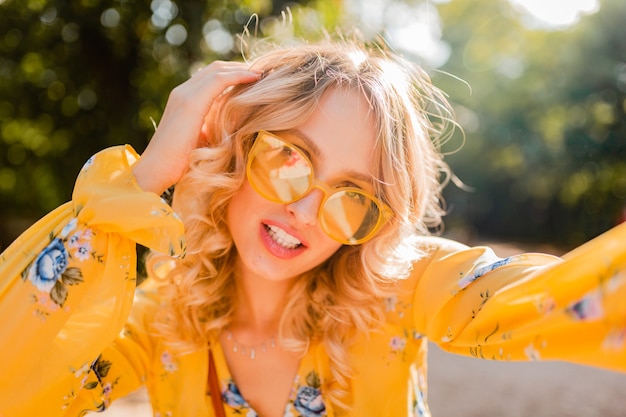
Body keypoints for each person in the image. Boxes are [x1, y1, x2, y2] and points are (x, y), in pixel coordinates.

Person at [1, 34, 626, 417]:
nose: (305, 211)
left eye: (354, 194)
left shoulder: (404, 286)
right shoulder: (160, 322)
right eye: (290, 158)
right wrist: (140, 185)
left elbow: (564, 297)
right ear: (236, 150)